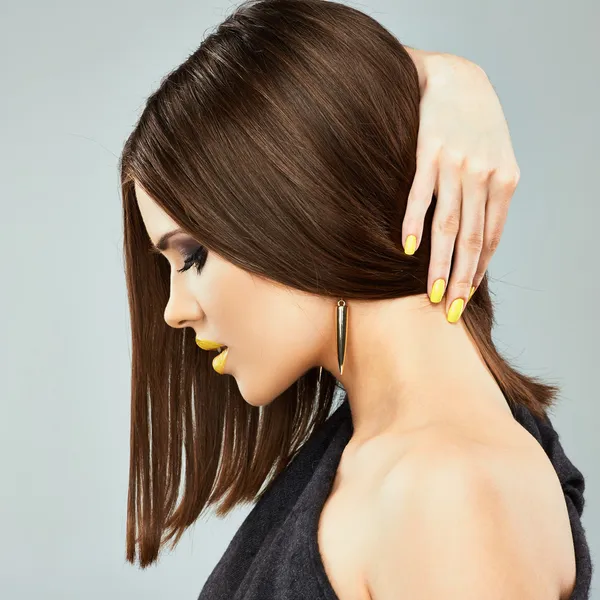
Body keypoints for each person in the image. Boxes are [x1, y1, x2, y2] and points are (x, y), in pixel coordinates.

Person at [118, 0, 592, 598]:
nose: (174, 309)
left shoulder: (445, 493)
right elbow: (336, 98)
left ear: (305, 208)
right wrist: (450, 77)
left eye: (192, 256)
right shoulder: (387, 456)